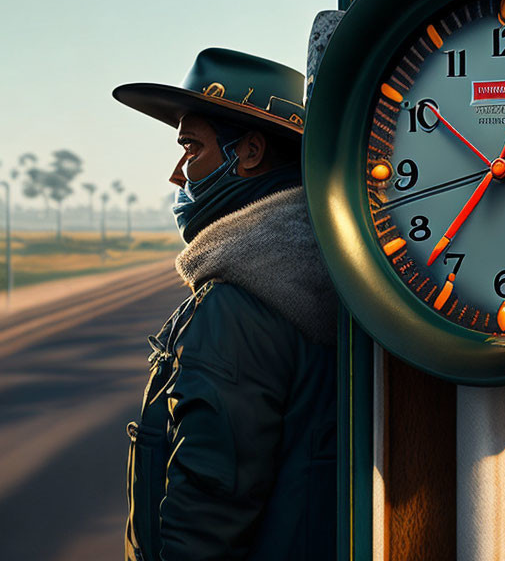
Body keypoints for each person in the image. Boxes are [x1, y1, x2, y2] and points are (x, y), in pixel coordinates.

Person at [113, 47, 338, 560]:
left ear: (250, 152)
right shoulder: (311, 279)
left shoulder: (237, 307)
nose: (178, 173)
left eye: (191, 147)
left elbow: (207, 509)